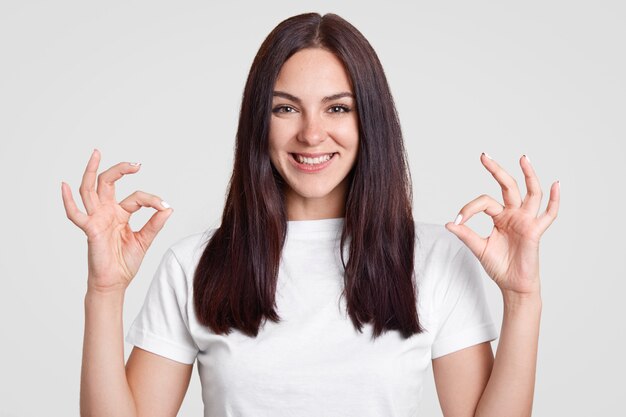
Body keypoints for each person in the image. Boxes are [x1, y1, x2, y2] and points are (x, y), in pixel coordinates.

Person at [61, 12, 560, 417]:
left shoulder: (434, 260)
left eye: (338, 108)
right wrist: (105, 292)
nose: (312, 133)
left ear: (370, 120)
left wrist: (523, 299)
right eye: (286, 109)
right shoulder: (195, 265)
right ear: (259, 122)